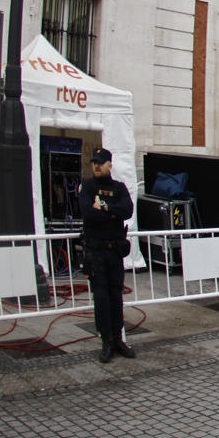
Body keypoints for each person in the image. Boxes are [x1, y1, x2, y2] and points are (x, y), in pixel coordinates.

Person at [78, 147, 134, 364]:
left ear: (110, 164)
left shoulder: (118, 187)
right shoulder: (88, 186)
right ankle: (106, 341)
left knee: (115, 295)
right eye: (94, 162)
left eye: (101, 163)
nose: (96, 166)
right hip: (96, 252)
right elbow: (87, 213)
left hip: (114, 251)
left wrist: (104, 208)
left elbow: (127, 210)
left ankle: (118, 338)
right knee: (101, 297)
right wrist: (110, 213)